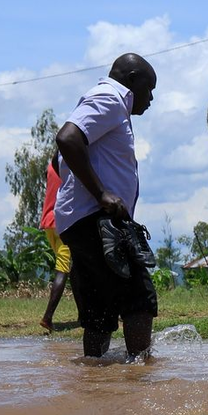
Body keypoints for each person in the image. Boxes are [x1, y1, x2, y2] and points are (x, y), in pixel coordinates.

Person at [55, 53, 158, 363]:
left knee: (99, 309)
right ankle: (139, 377)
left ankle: (95, 376)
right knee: (138, 298)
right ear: (132, 80)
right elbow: (68, 139)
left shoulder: (105, 103)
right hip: (99, 220)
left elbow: (63, 153)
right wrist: (102, 194)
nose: (151, 98)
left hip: (80, 221)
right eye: (149, 88)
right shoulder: (110, 98)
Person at [39, 149, 76, 332]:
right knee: (63, 270)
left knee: (73, 267)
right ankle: (47, 317)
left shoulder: (51, 168)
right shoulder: (69, 169)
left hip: (48, 224)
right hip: (62, 223)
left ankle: (85, 313)